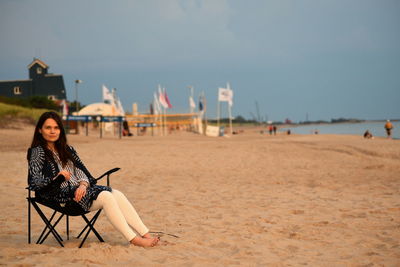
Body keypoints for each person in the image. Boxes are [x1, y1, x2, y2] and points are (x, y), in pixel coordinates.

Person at [27, 112, 159, 247]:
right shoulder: (37, 152)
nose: (52, 131)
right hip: (59, 197)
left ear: (61, 130)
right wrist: (57, 178)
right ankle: (135, 240)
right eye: (48, 128)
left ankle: (146, 235)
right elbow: (35, 181)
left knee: (117, 193)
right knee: (106, 196)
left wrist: (83, 185)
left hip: (79, 193)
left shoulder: (67, 150)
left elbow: (81, 171)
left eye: (56, 128)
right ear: (39, 130)